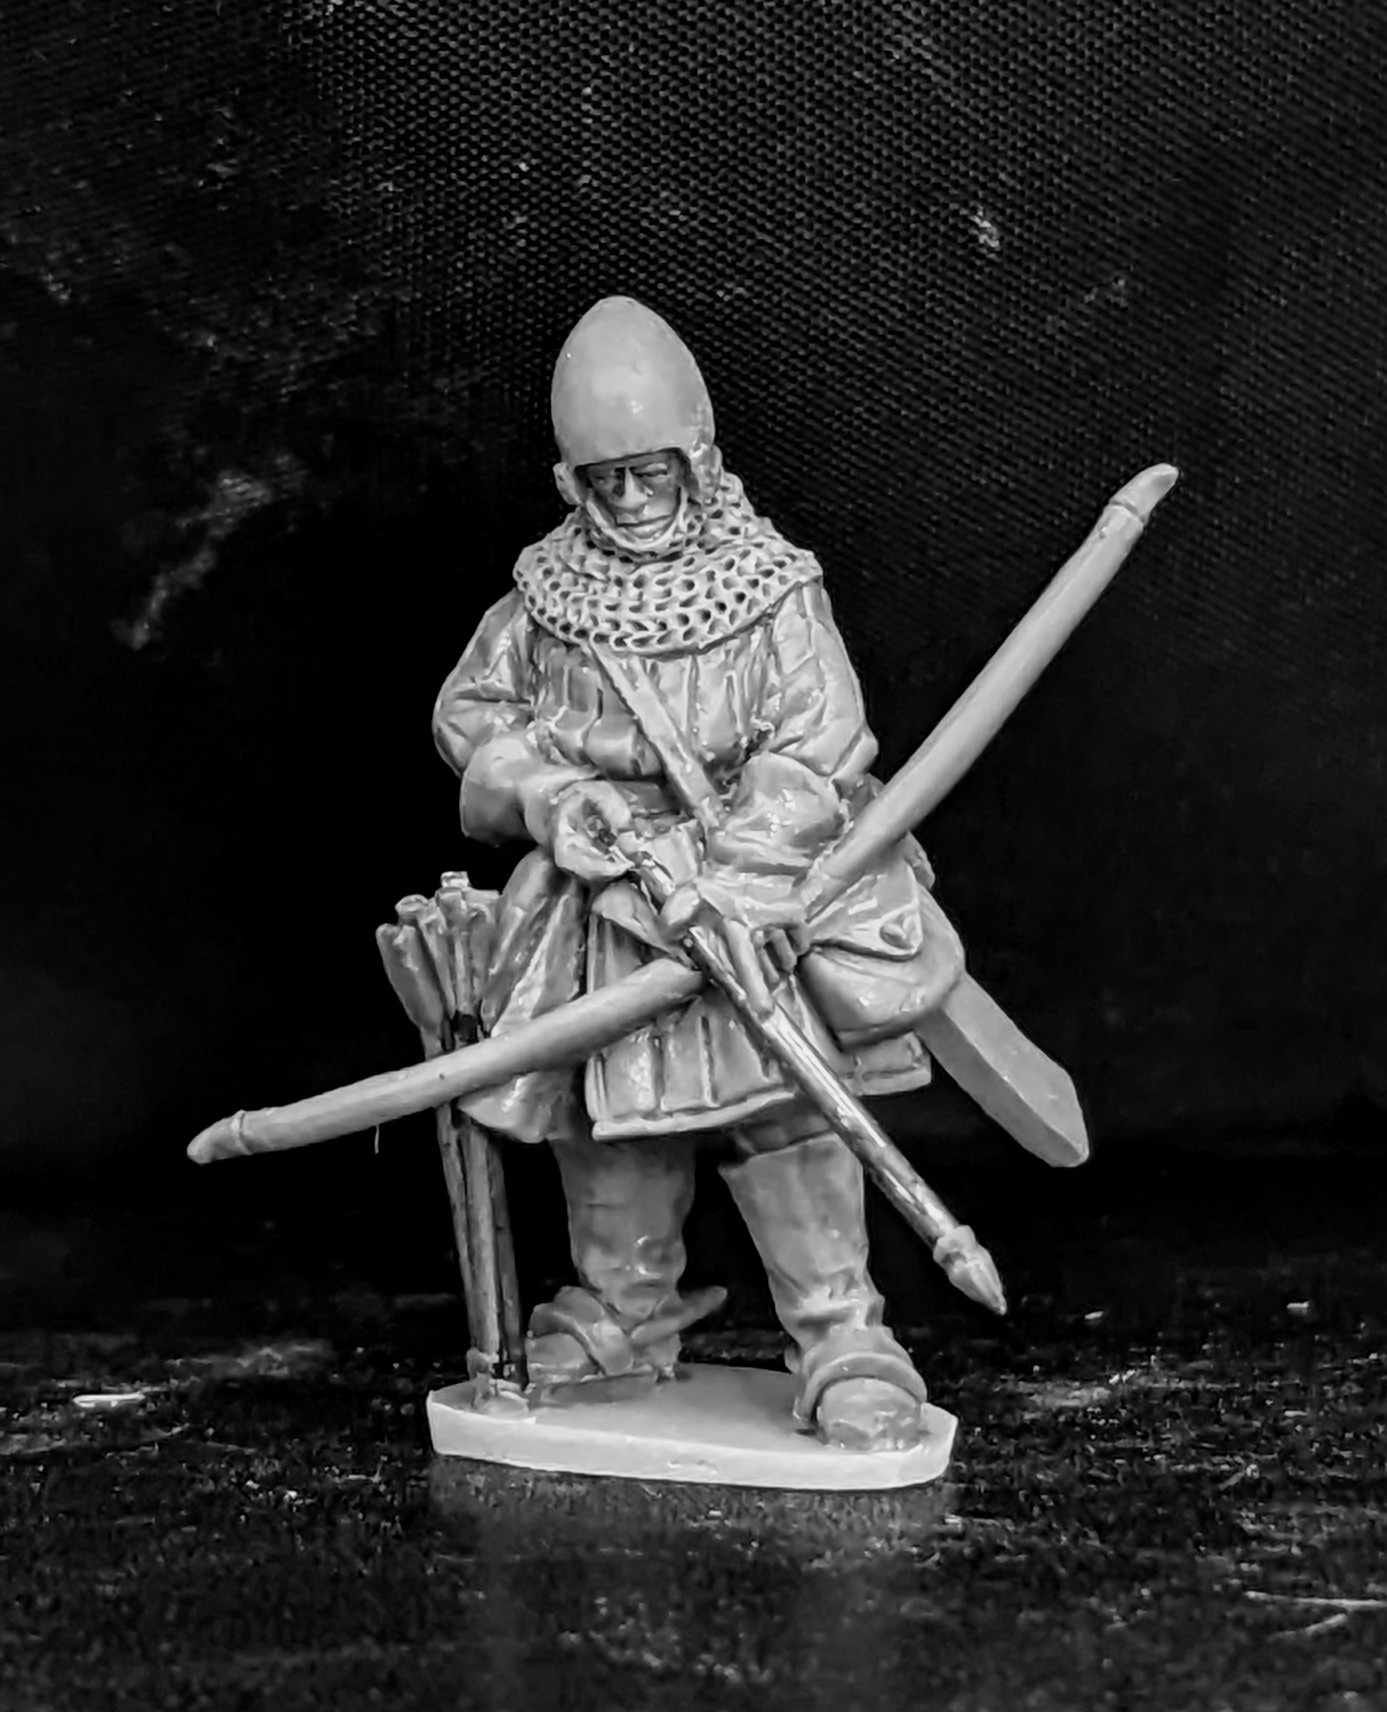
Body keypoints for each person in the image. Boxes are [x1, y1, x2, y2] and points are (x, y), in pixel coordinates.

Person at [432, 297, 962, 1452]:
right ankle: (624, 1309)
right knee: (608, 1118)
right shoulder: (542, 601)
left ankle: (842, 1332)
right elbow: (471, 719)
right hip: (602, 907)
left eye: (651, 473)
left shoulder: (771, 587)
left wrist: (743, 866)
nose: (630, 499)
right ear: (572, 482)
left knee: (786, 1105)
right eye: (607, 479)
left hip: (750, 896)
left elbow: (819, 735)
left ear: (698, 461)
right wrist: (545, 792)